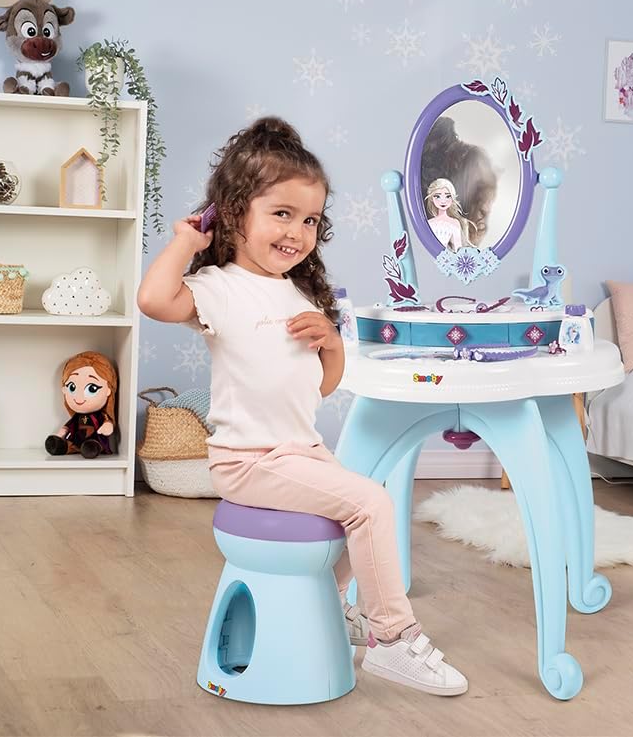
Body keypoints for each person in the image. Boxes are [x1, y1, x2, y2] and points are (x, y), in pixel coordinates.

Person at [136, 116, 468, 697]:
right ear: (236, 215)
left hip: (300, 451)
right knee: (369, 502)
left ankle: (337, 607)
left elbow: (321, 386)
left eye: (309, 219)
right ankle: (393, 638)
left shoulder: (297, 293)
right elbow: (153, 300)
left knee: (362, 506)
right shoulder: (219, 285)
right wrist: (185, 242)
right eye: (281, 214)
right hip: (249, 459)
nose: (297, 231)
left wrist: (332, 344)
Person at [424, 178, 472, 250]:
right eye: (437, 196)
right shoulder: (429, 223)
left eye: (448, 196)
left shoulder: (454, 223)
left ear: (452, 198)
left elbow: (458, 249)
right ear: (431, 198)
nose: (443, 201)